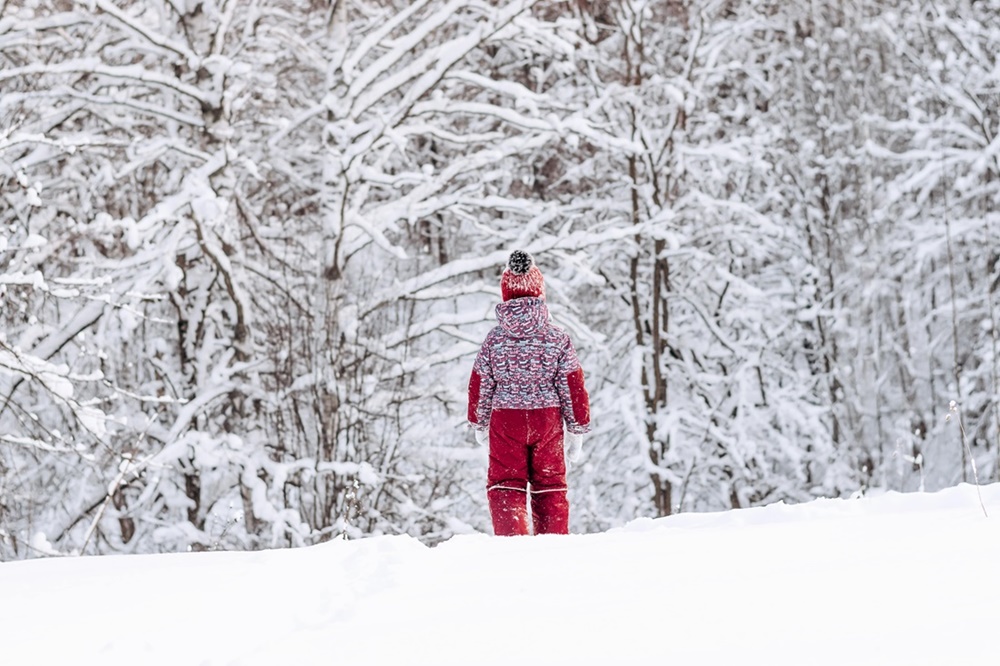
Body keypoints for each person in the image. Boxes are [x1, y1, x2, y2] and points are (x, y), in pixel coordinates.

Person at [467, 250, 591, 535]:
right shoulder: (557, 338)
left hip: (505, 421)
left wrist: (480, 421)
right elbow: (572, 384)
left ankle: (514, 544)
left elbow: (481, 383)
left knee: (505, 484)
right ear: (540, 293)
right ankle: (553, 542)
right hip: (547, 421)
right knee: (550, 486)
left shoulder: (494, 340)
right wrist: (576, 428)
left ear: (505, 295)